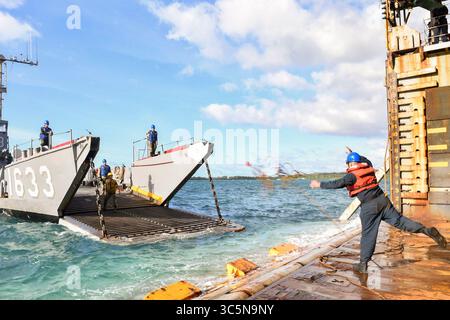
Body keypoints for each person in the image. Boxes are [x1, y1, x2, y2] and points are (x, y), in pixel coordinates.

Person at [310, 152, 447, 274]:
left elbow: (336, 183)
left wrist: (319, 184)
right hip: (383, 201)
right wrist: (354, 154)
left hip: (370, 207)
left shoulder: (350, 176)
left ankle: (363, 264)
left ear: (350, 164)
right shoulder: (368, 167)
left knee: (368, 235)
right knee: (401, 222)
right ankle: (426, 231)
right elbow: (367, 160)